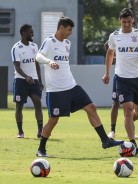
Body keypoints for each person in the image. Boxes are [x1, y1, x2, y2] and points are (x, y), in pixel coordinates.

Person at [35, 16, 123, 157]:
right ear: (62, 27)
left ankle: (105, 140)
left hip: (71, 86)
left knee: (91, 108)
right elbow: (38, 56)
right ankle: (41, 149)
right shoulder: (49, 42)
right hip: (56, 90)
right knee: (53, 120)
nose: (70, 33)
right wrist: (49, 61)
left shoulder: (67, 44)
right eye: (69, 30)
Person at [102, 8, 138, 155]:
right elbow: (110, 53)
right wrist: (106, 73)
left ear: (133, 20)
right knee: (127, 111)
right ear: (120, 20)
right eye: (123, 21)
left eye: (128, 21)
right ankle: (133, 145)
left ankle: (128, 125)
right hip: (122, 78)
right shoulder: (114, 36)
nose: (126, 24)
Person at [11, 24, 43, 139]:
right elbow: (17, 67)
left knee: (37, 102)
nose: (32, 34)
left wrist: (39, 80)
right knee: (19, 106)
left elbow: (37, 64)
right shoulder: (16, 48)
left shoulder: (34, 46)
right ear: (24, 33)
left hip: (33, 80)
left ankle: (40, 131)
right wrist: (26, 77)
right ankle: (20, 132)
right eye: (30, 32)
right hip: (20, 80)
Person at [103, 40, 119, 139]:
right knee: (115, 103)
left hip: (133, 77)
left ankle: (130, 128)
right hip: (119, 77)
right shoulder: (117, 39)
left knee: (132, 106)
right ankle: (112, 130)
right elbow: (107, 45)